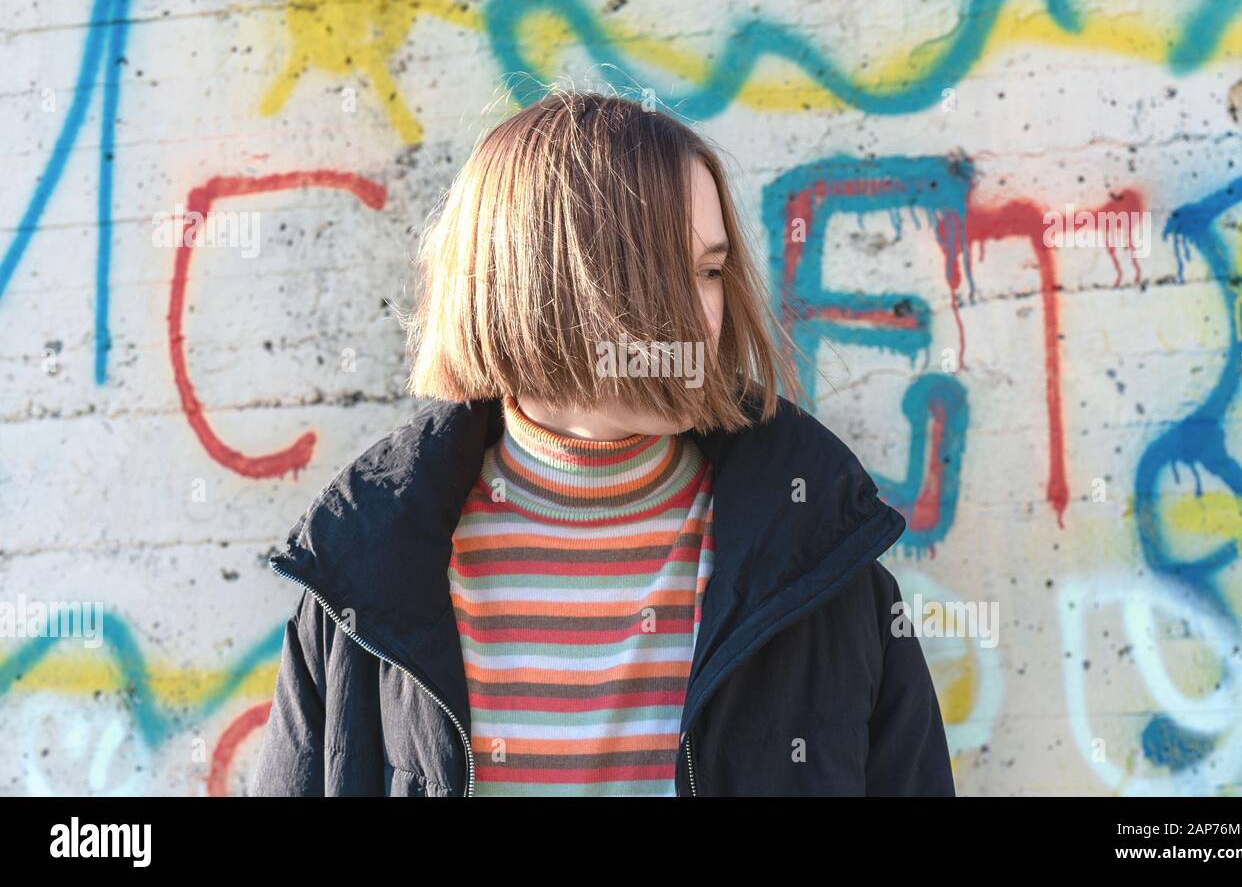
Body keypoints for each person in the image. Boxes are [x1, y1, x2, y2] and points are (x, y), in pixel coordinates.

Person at [251, 89, 955, 796]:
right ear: (541, 287)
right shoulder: (364, 579)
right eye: (658, 276)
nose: (700, 320)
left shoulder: (819, 564)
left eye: (709, 272)